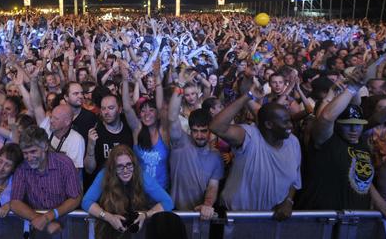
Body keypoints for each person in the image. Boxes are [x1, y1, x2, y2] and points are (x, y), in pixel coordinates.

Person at [296, 68, 386, 219]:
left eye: (358, 124)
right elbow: (326, 117)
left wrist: (378, 200)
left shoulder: (361, 142)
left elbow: (358, 173)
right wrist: (351, 88)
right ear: (338, 125)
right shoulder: (326, 140)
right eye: (348, 124)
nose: (354, 129)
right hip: (322, 219)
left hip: (356, 218)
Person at [210, 83, 301, 220]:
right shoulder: (249, 136)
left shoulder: (293, 142)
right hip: (236, 218)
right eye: (285, 122)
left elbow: (294, 181)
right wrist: (248, 96)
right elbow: (216, 126)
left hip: (272, 219)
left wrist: (288, 201)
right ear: (269, 125)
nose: (290, 126)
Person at [81, 144, 173, 238]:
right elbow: (86, 202)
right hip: (108, 230)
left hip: (136, 232)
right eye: (120, 166)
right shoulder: (105, 175)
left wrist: (145, 215)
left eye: (129, 165)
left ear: (134, 164)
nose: (125, 170)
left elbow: (168, 202)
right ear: (113, 168)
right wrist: (109, 217)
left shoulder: (141, 175)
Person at [10, 126, 82, 237]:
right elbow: (15, 202)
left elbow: (75, 197)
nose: (29, 157)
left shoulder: (64, 164)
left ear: (45, 147)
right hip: (36, 227)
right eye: (25, 153)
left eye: (33, 151)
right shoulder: (21, 169)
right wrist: (39, 218)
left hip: (65, 224)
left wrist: (50, 216)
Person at [168, 85, 223, 218]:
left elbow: (213, 186)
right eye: (195, 131)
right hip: (174, 211)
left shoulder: (216, 157)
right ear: (190, 130)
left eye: (203, 131)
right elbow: (172, 118)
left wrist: (207, 205)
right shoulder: (180, 142)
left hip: (199, 213)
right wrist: (179, 88)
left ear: (210, 130)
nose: (199, 136)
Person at [84, 94, 134, 175]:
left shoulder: (129, 129)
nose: (106, 112)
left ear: (120, 109)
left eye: (111, 108)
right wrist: (91, 145)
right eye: (103, 109)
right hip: (105, 182)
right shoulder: (95, 132)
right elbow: (89, 169)